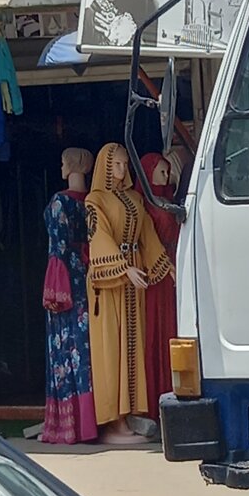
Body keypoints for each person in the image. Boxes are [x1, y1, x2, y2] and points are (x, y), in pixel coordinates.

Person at [85, 143, 174, 445]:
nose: (122, 170)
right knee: (112, 348)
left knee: (132, 347)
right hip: (110, 284)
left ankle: (132, 414)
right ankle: (114, 423)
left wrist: (166, 267)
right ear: (105, 167)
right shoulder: (95, 201)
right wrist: (123, 269)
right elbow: (99, 238)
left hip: (135, 278)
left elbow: (148, 235)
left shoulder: (136, 198)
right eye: (117, 165)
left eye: (125, 165)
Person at [41, 147, 97, 445]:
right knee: (86, 347)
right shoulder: (93, 201)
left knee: (65, 347)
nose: (61, 166)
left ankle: (67, 424)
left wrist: (53, 287)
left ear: (73, 165)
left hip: (66, 280)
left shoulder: (60, 203)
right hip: (89, 277)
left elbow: (57, 248)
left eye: (64, 161)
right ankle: (90, 421)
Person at [134, 153, 180, 422]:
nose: (165, 177)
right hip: (157, 275)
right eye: (160, 172)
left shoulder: (170, 201)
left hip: (175, 270)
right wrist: (165, 266)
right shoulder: (146, 204)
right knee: (156, 333)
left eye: (167, 172)